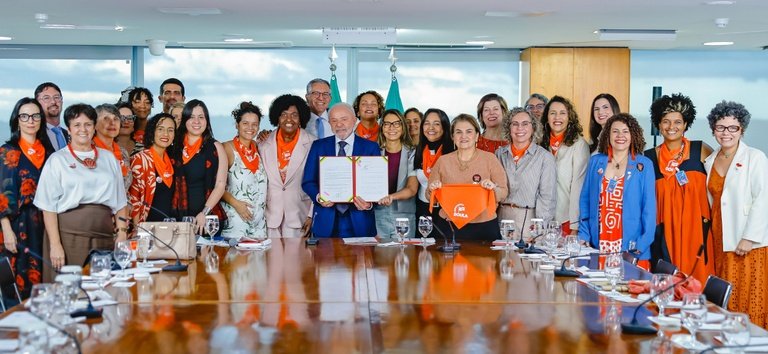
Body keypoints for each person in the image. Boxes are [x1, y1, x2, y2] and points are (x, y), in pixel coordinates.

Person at [34, 103, 129, 276]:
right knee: (71, 286)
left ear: (94, 127)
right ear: (68, 130)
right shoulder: (57, 160)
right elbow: (48, 207)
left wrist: (122, 235)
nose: (83, 129)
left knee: (105, 284)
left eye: (88, 124)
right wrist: (55, 245)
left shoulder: (109, 158)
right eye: (77, 125)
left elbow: (121, 202)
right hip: (68, 236)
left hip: (104, 235)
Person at [704, 101, 768, 328]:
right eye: (720, 127)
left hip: (747, 242)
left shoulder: (755, 157)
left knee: (749, 298)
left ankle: (755, 342)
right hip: (720, 239)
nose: (726, 133)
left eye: (733, 127)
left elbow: (763, 198)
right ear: (713, 129)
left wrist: (749, 237)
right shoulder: (710, 160)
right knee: (725, 297)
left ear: (742, 130)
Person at [644, 93, 714, 281]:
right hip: (665, 234)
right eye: (666, 121)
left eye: (677, 122)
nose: (671, 127)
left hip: (697, 231)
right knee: (668, 285)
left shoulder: (701, 150)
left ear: (685, 124)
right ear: (658, 125)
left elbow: (720, 186)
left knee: (698, 286)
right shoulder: (649, 158)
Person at [579, 113, 655, 268]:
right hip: (599, 244)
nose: (620, 135)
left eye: (625, 131)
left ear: (633, 135)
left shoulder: (644, 165)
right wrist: (584, 234)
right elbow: (585, 201)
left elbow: (649, 209)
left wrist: (641, 245)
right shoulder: (595, 162)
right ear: (608, 135)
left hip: (632, 248)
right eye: (615, 131)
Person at [0, 98, 54, 298]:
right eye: (24, 116)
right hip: (18, 225)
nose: (30, 120)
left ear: (41, 120)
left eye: (35, 116)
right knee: (19, 283)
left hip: (47, 223)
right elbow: (1, 195)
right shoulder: (8, 152)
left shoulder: (50, 152)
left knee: (46, 278)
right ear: (17, 121)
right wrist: (6, 231)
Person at [302, 103, 379, 238]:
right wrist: (319, 197)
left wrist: (369, 204)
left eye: (344, 119)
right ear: (329, 124)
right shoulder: (318, 146)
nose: (339, 124)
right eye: (334, 120)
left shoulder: (371, 147)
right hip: (325, 220)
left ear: (354, 120)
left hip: (360, 220)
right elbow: (308, 181)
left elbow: (377, 184)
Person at [427, 114, 508, 241]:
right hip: (449, 226)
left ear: (477, 136)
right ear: (453, 137)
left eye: (469, 131)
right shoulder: (443, 161)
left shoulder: (490, 159)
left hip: (484, 227)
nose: (463, 136)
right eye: (458, 132)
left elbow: (503, 192)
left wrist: (493, 188)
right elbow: (430, 196)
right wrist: (433, 190)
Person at [260, 94, 315, 238]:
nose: (289, 119)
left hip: (300, 215)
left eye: (294, 115)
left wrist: (311, 215)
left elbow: (319, 182)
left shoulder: (313, 143)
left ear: (301, 118)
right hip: (270, 217)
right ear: (277, 118)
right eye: (284, 115)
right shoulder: (263, 143)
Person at [497, 107, 556, 239]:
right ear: (508, 128)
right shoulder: (499, 154)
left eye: (525, 124)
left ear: (533, 128)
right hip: (502, 219)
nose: (520, 128)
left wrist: (539, 230)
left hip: (529, 221)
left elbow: (547, 198)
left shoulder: (545, 157)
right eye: (515, 124)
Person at [171, 99, 228, 235]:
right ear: (185, 120)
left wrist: (204, 213)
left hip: (206, 220)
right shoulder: (172, 146)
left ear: (207, 121)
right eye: (191, 117)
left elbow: (220, 185)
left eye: (201, 117)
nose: (196, 121)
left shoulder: (216, 147)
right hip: (176, 219)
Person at [539, 96, 589, 235]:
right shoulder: (539, 143)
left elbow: (578, 186)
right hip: (542, 219)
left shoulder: (579, 145)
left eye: (562, 113)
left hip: (566, 219)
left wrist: (575, 226)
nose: (557, 117)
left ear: (569, 117)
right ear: (547, 117)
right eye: (553, 113)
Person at [221, 102, 267, 240]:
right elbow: (215, 185)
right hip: (235, 221)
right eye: (245, 123)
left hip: (259, 224)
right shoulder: (227, 149)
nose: (250, 128)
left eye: (255, 124)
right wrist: (237, 204)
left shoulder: (259, 147)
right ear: (237, 125)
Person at [128, 113, 179, 225]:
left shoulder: (173, 161)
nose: (166, 134)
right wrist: (138, 228)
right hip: (145, 227)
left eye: (170, 130)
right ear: (152, 132)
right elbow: (133, 198)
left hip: (169, 227)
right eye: (160, 129)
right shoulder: (140, 159)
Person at [375, 109, 418, 239]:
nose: (391, 128)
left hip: (404, 215)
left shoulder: (413, 153)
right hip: (378, 214)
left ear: (403, 127)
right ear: (382, 127)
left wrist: (391, 197)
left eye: (396, 123)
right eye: (387, 124)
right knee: (379, 252)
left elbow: (412, 189)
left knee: (404, 252)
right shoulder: (374, 151)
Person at [413, 109, 454, 223]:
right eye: (427, 123)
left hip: (447, 210)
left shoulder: (454, 152)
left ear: (444, 127)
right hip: (422, 209)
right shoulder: (418, 151)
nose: (431, 128)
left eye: (437, 124)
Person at [94, 104, 131, 189]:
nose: (112, 123)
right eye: (106, 119)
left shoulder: (123, 152)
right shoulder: (88, 151)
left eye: (116, 119)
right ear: (95, 124)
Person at [34, 82, 68, 151]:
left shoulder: (70, 135)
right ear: (37, 104)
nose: (53, 102)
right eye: (46, 98)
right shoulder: (34, 135)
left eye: (56, 97)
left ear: (62, 101)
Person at [129, 87, 154, 155]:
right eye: (137, 102)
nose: (142, 106)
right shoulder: (125, 129)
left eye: (147, 102)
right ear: (130, 105)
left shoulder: (156, 130)